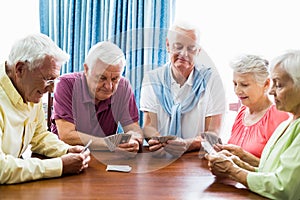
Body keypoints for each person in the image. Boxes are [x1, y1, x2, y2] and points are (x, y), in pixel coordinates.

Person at [205, 50, 300, 200]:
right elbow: (268, 171)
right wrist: (238, 161)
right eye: (235, 84)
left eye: (279, 85)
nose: (272, 91)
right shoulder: (289, 123)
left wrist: (233, 170)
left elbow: (282, 187)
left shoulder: (283, 120)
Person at [0, 33, 90, 184]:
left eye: (55, 80)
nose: (53, 89)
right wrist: (60, 165)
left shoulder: (27, 90)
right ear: (20, 69)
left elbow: (39, 135)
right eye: (48, 79)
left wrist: (66, 150)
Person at [140, 21, 226, 157]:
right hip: (161, 158)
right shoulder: (152, 80)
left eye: (191, 48)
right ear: (168, 45)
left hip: (197, 160)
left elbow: (213, 133)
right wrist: (156, 140)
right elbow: (149, 126)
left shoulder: (213, 82)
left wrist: (187, 144)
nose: (184, 54)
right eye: (178, 46)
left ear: (198, 51)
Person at [51, 41, 143, 155]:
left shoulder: (123, 87)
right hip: (66, 156)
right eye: (101, 78)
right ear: (86, 69)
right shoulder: (65, 84)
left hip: (105, 158)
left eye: (115, 79)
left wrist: (134, 138)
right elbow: (67, 135)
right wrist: (110, 143)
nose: (109, 86)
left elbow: (133, 128)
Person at [216, 54, 290, 166]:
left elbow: (280, 171)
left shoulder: (278, 116)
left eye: (244, 85)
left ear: (266, 84)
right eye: (235, 84)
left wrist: (243, 157)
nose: (237, 90)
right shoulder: (242, 112)